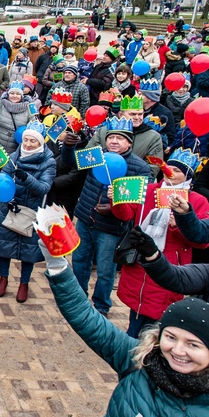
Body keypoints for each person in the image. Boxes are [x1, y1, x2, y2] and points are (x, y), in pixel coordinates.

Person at [10, 241, 209, 417]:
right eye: (170, 337)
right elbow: (88, 320)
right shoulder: (141, 359)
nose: (178, 350)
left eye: (193, 345)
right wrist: (58, 267)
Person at [109, 150, 209, 337]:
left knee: (156, 325)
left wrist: (180, 225)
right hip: (140, 265)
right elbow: (125, 215)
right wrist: (116, 199)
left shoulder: (197, 201)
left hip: (170, 269)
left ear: (187, 176)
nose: (169, 172)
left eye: (176, 170)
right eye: (167, 167)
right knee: (137, 318)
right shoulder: (148, 190)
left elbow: (204, 241)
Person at [61, 118, 152, 316]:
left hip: (112, 228)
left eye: (120, 138)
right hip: (86, 219)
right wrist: (68, 147)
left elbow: (139, 202)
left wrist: (114, 208)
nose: (114, 142)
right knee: (79, 261)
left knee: (105, 270)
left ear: (129, 142)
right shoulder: (97, 155)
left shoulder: (139, 168)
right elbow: (70, 162)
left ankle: (101, 306)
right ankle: (78, 299)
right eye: (111, 137)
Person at [0, 122, 56, 303]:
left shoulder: (48, 162)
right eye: (25, 140)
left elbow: (44, 188)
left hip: (32, 212)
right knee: (5, 247)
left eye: (32, 141)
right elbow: (3, 180)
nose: (27, 144)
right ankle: (3, 278)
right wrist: (7, 200)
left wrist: (26, 178)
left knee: (28, 250)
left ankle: (24, 283)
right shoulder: (14, 156)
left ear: (40, 143)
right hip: (10, 208)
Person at [0, 70, 32, 154]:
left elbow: (32, 128)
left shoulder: (28, 109)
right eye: (12, 93)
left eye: (18, 94)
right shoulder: (0, 104)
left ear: (22, 96)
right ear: (8, 94)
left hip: (14, 151)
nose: (14, 96)